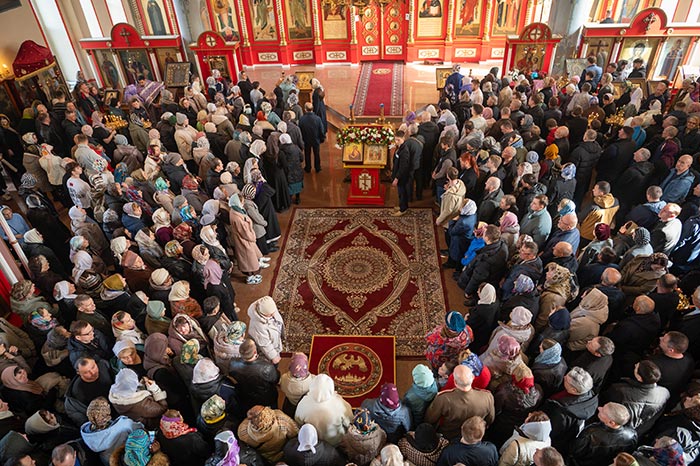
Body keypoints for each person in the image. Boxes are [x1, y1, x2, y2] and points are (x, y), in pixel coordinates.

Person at [424, 365, 495, 440]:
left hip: (448, 437)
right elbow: (490, 419)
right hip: (473, 437)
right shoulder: (487, 397)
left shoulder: (443, 398)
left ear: (455, 381)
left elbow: (430, 419)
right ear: (473, 377)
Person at [298, 102, 325, 173]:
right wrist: (322, 138)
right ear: (312, 109)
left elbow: (300, 130)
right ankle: (317, 167)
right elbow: (321, 129)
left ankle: (308, 167)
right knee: (317, 154)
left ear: (305, 109)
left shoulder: (302, 119)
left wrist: (301, 140)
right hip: (316, 139)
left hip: (306, 140)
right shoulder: (317, 119)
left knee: (307, 154)